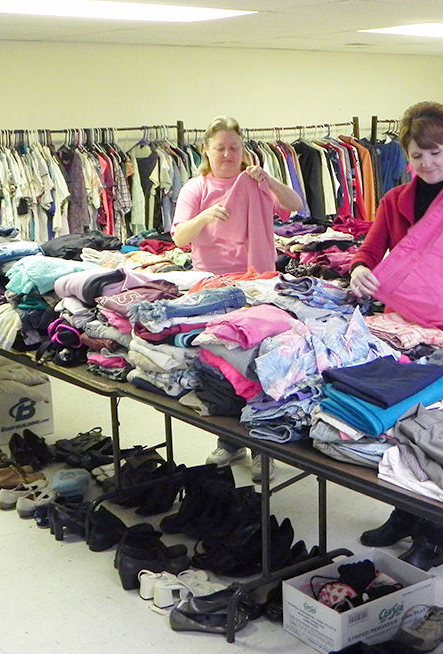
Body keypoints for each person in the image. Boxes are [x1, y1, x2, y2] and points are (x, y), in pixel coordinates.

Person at [348, 101, 443, 570]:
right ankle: (403, 513)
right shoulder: (395, 200)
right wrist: (358, 269)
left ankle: (432, 535)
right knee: (401, 424)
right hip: (403, 327)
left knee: (439, 430)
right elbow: (371, 250)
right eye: (417, 155)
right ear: (407, 156)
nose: (428, 163)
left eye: (435, 153)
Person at [171, 116, 303, 482]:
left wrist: (269, 180)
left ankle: (264, 447)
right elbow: (180, 237)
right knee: (221, 367)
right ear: (206, 151)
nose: (228, 155)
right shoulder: (196, 188)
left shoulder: (255, 182)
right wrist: (205, 216)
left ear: (243, 150)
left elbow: (295, 204)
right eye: (220, 148)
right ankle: (230, 441)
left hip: (258, 286)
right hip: (213, 289)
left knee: (258, 368)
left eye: (234, 148)